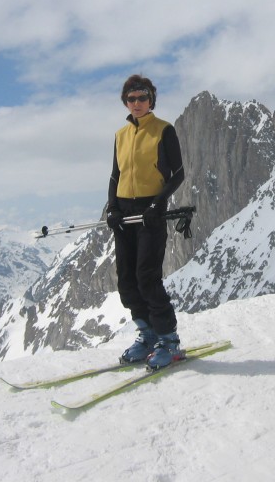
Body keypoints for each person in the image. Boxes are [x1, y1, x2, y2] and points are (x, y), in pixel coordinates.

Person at [106, 74, 186, 369]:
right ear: (125, 102)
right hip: (124, 212)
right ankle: (148, 335)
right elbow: (116, 175)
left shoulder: (164, 130)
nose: (137, 103)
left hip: (150, 212)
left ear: (151, 100)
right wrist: (112, 208)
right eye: (131, 98)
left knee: (146, 278)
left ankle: (170, 341)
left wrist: (157, 202)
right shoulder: (120, 135)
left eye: (142, 97)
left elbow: (177, 174)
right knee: (126, 280)